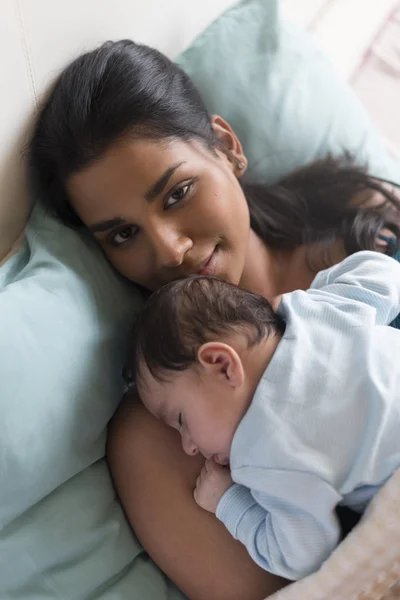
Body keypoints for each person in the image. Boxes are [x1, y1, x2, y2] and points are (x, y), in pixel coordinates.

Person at [28, 39, 400, 600]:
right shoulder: (163, 433)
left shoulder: (365, 234)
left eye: (177, 193)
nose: (169, 249)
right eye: (123, 234)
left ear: (226, 147)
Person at [125, 250, 400, 581]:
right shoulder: (316, 311)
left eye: (181, 420)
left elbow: (302, 555)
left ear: (222, 365)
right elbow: (385, 271)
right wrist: (313, 292)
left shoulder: (267, 451)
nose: (189, 447)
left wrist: (228, 501)